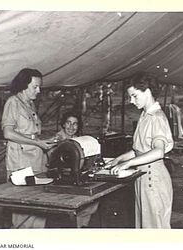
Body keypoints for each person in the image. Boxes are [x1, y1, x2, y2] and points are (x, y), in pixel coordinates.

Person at [109, 72, 174, 228]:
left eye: (134, 96)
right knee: (145, 228)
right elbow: (140, 150)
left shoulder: (156, 118)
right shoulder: (145, 115)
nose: (131, 101)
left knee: (153, 231)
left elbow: (158, 151)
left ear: (148, 91)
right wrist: (120, 159)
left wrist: (128, 164)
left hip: (153, 180)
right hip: (143, 178)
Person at [1, 68, 56, 228]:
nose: (38, 91)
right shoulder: (13, 103)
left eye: (39, 87)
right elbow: (8, 133)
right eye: (35, 87)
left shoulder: (30, 104)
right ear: (23, 85)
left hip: (36, 160)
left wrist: (45, 141)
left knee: (39, 207)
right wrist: (38, 143)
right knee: (23, 210)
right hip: (21, 162)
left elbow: (31, 134)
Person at [48, 111, 98, 228]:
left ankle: (81, 226)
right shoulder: (57, 140)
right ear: (63, 124)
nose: (71, 127)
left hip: (75, 177)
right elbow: (52, 159)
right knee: (85, 201)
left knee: (93, 202)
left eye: (75, 124)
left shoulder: (79, 140)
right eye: (68, 123)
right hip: (61, 180)